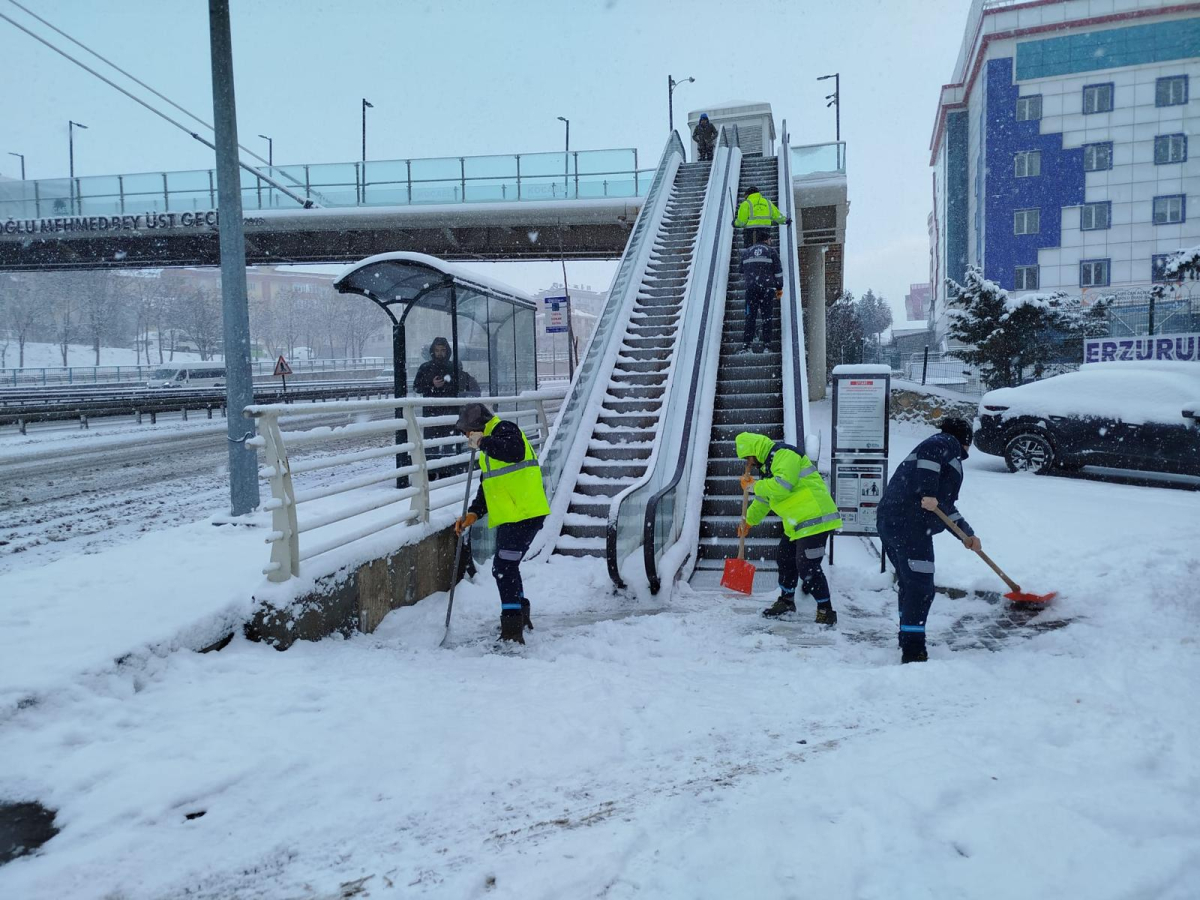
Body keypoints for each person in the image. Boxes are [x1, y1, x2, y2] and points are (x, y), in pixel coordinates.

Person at [876, 417, 981, 664]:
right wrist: (927, 492)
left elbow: (944, 506)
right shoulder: (945, 442)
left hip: (893, 521)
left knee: (910, 583)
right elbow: (930, 463)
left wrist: (966, 534)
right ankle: (914, 650)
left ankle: (908, 636)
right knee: (920, 588)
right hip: (909, 525)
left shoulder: (944, 454)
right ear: (965, 440)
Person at [453, 402, 550, 644]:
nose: (467, 436)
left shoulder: (505, 430)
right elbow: (489, 484)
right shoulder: (490, 447)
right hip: (513, 516)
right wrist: (474, 513)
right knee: (507, 566)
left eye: (468, 431)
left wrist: (483, 442)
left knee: (503, 568)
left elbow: (514, 452)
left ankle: (511, 629)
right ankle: (520, 616)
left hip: (525, 514)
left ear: (478, 426)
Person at [735, 432, 842, 624]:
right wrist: (749, 521)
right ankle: (786, 601)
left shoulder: (785, 454)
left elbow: (782, 485)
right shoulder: (768, 468)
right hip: (796, 523)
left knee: (807, 565)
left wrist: (755, 485)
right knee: (785, 558)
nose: (748, 463)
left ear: (754, 451)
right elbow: (763, 499)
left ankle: (825, 610)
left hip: (815, 517)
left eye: (747, 458)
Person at [739, 232, 783, 353]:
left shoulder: (747, 252)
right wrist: (779, 289)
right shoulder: (771, 251)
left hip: (751, 289)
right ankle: (767, 346)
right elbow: (778, 272)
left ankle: (746, 346)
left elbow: (740, 270)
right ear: (767, 240)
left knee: (750, 317)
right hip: (767, 289)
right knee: (767, 317)